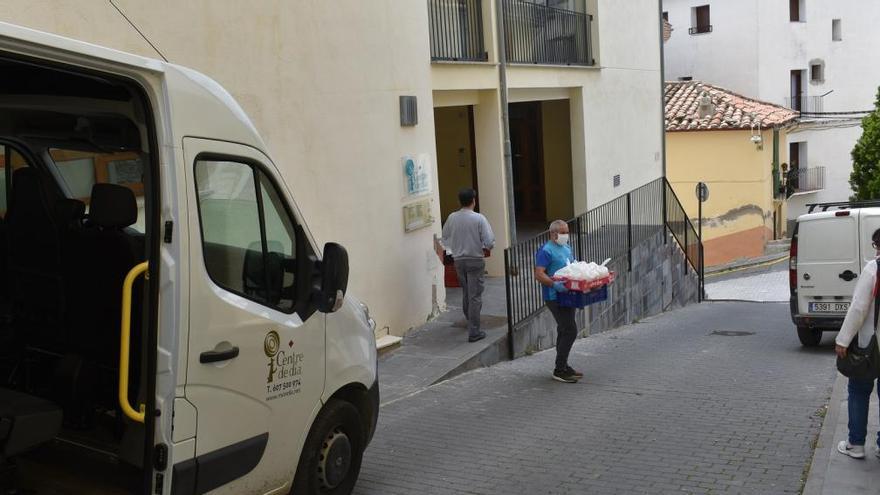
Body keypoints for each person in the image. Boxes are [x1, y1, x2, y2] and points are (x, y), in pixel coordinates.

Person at [836, 228, 880, 459]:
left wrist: (843, 340)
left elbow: (859, 308)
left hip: (871, 345)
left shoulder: (874, 270)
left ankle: (856, 444)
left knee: (859, 390)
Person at [441, 188, 495, 343]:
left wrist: (456, 246)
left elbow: (445, 237)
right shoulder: (479, 219)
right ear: (474, 201)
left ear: (459, 201)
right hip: (475, 260)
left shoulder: (452, 217)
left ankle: (469, 320)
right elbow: (489, 242)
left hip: (458, 261)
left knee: (466, 292)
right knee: (475, 296)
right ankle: (474, 331)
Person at [534, 219, 583, 383]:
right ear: (553, 234)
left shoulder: (567, 247)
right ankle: (559, 369)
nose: (565, 235)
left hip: (568, 294)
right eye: (562, 232)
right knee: (570, 330)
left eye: (566, 232)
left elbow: (573, 265)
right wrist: (554, 284)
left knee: (564, 330)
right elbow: (539, 273)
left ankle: (563, 365)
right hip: (554, 296)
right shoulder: (546, 251)